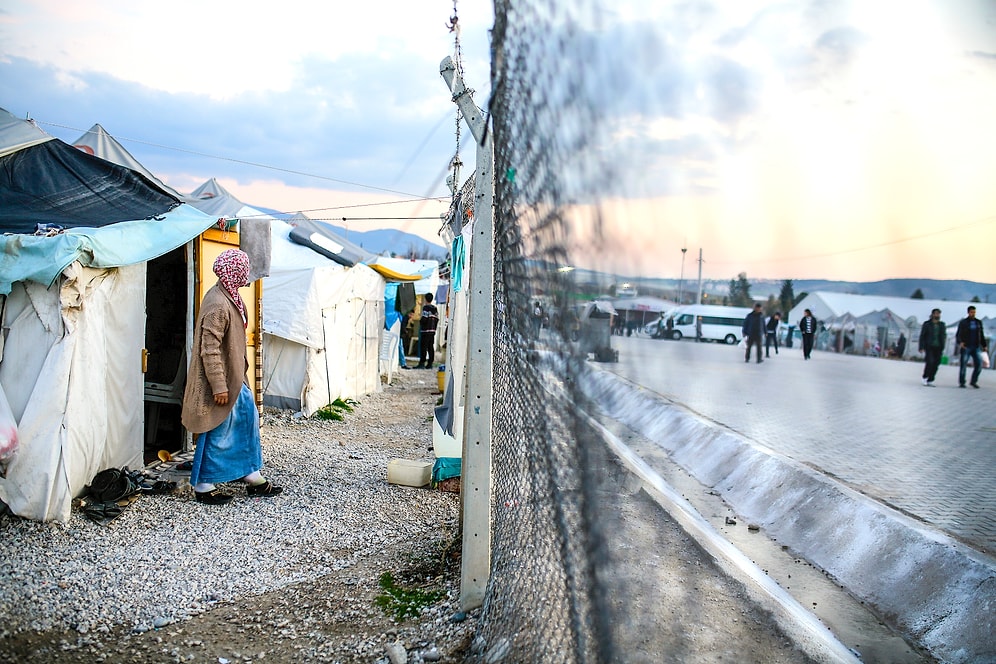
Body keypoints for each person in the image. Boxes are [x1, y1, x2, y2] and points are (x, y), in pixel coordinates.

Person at [181, 249, 283, 505]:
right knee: (219, 429)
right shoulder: (217, 303)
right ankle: (205, 485)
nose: (246, 274)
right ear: (233, 271)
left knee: (246, 421)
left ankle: (252, 476)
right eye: (243, 269)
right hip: (224, 382)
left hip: (235, 378)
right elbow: (210, 348)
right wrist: (219, 386)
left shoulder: (230, 296)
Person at [956, 305, 988, 388]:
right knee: (963, 364)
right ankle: (962, 382)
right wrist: (960, 342)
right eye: (971, 312)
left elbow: (981, 334)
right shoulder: (963, 322)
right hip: (966, 346)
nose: (973, 314)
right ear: (968, 312)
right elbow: (959, 334)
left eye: (974, 312)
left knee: (979, 364)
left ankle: (973, 381)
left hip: (976, 346)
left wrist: (984, 345)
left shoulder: (978, 322)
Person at [918, 308, 946, 387]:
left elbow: (943, 335)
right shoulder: (927, 324)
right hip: (929, 346)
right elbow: (922, 336)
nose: (937, 315)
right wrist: (921, 346)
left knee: (936, 363)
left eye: (938, 314)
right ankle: (925, 377)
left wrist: (943, 344)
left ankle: (931, 379)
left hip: (938, 347)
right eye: (936, 314)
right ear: (932, 314)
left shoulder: (942, 325)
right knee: (930, 362)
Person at [416, 292, 439, 369]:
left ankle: (422, 363)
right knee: (430, 347)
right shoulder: (435, 309)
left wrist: (421, 322)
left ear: (425, 299)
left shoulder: (426, 308)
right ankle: (430, 364)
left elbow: (424, 319)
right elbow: (437, 319)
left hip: (425, 331)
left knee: (423, 347)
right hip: (432, 331)